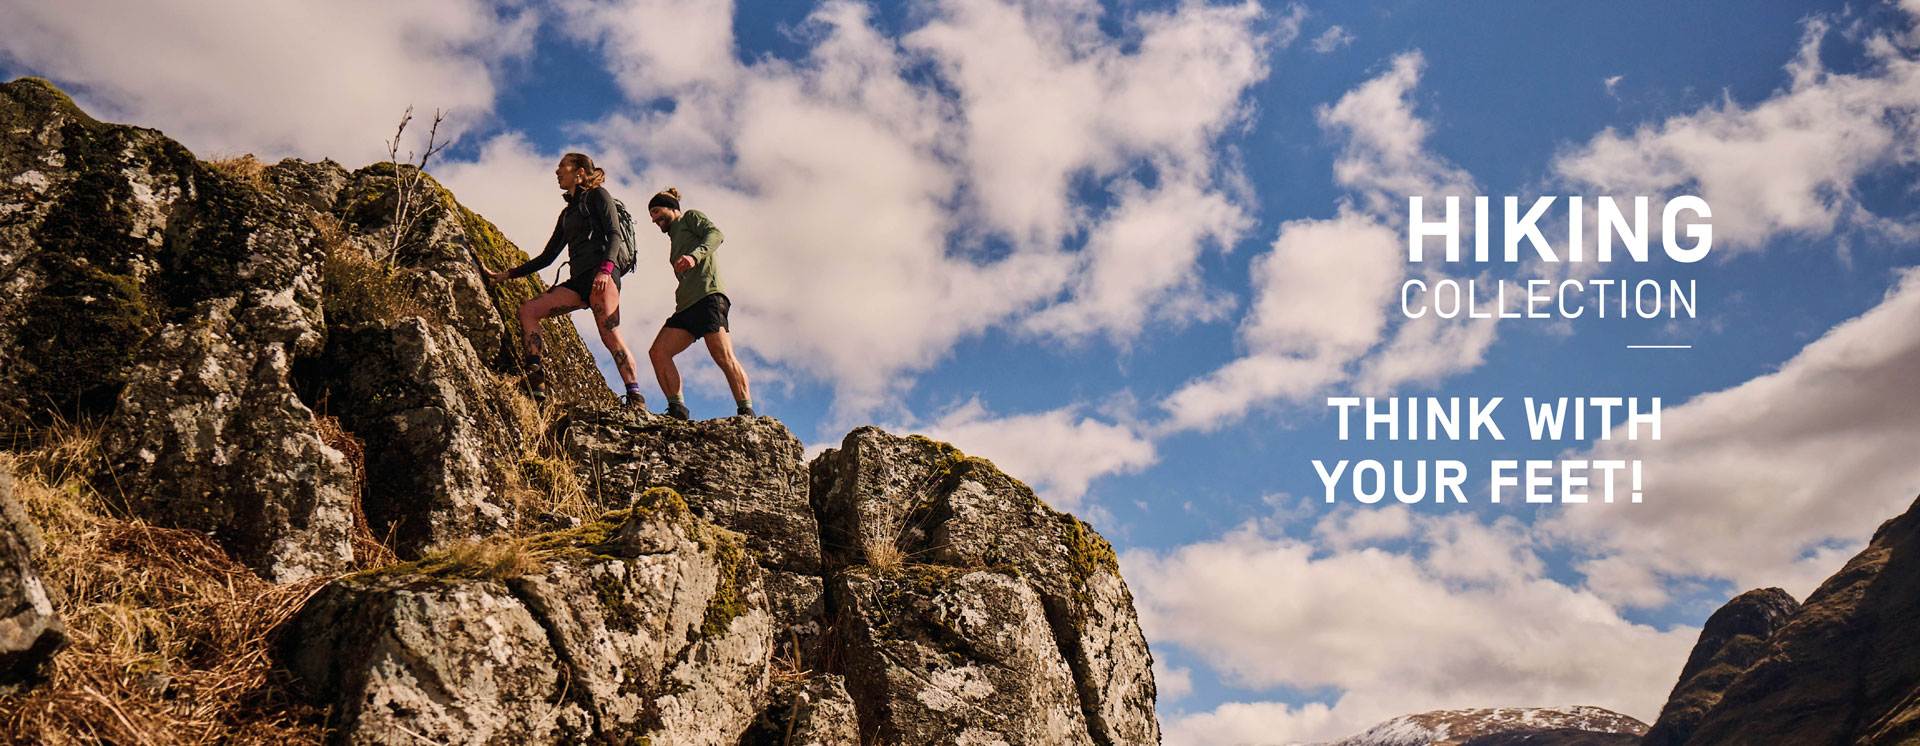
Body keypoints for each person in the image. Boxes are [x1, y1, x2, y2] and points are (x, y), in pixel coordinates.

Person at [483, 153, 644, 406]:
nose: (557, 171)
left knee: (610, 335)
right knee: (528, 311)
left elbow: (614, 233)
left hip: (601, 275)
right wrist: (507, 275)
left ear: (579, 171)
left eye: (562, 166)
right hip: (578, 281)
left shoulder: (599, 196)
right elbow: (547, 256)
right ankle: (535, 378)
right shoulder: (567, 213)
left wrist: (605, 270)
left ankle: (635, 397)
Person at [644, 187, 753, 420]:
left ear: (672, 208)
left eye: (656, 211)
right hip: (685, 306)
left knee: (723, 355)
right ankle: (677, 410)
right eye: (651, 215)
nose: (654, 219)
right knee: (658, 352)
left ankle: (746, 411)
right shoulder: (674, 237)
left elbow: (715, 234)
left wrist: (694, 256)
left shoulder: (690, 217)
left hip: (708, 297)